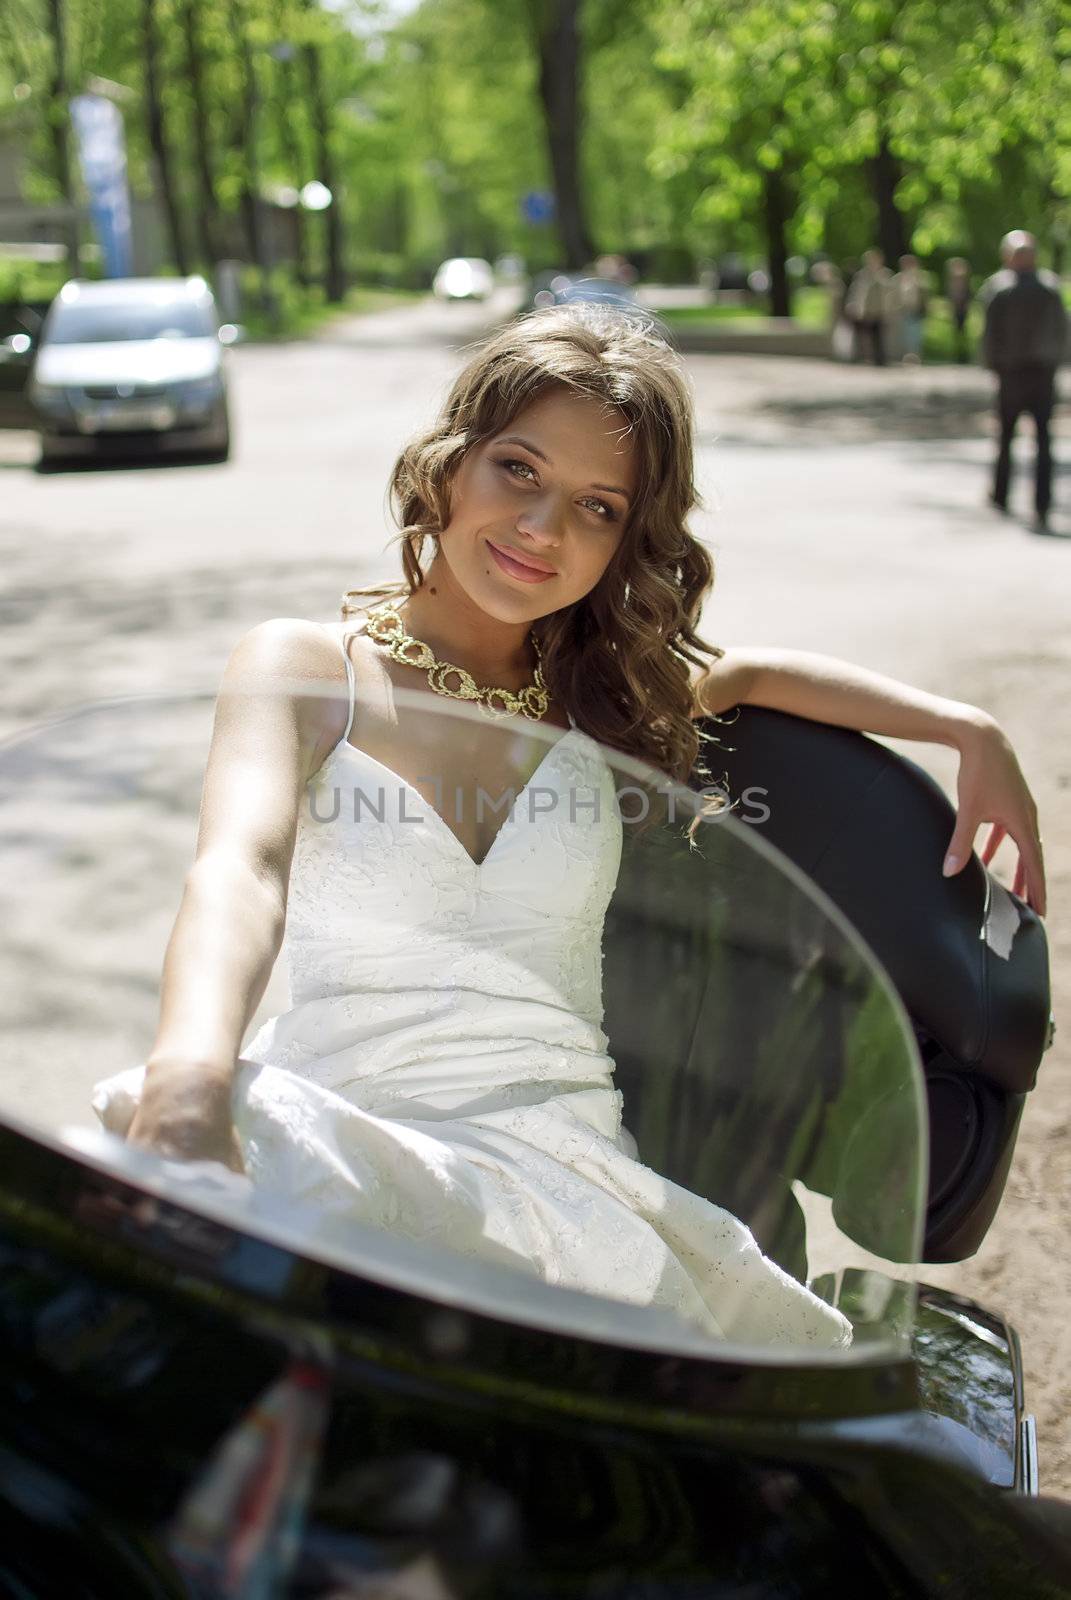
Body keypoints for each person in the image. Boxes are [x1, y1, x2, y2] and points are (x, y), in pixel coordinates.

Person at [90, 304, 1046, 1352]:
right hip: (345, 1130)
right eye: (518, 470)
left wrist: (965, 726)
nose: (544, 529)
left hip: (570, 1169)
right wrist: (191, 1079)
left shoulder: (606, 701)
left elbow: (755, 675)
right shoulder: (308, 666)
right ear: (449, 462)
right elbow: (238, 871)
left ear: (627, 538)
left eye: (597, 507)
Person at [982, 229, 1068, 532]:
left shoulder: (1004, 287)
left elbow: (990, 336)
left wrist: (994, 365)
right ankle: (1021, 499)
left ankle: (1014, 498)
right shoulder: (1044, 287)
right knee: (1028, 439)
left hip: (1022, 372)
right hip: (1031, 372)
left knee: (1019, 438)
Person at [845, 248, 894, 365]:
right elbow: (855, 292)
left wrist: (891, 310)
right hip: (865, 310)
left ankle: (880, 359)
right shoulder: (861, 275)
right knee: (863, 336)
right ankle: (863, 357)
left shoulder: (885, 274)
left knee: (879, 336)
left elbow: (890, 293)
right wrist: (852, 305)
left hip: (880, 310)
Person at [891, 253, 929, 364]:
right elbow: (893, 295)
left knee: (915, 335)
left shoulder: (920, 278)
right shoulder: (898, 278)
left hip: (916, 311)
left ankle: (915, 355)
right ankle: (906, 355)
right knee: (904, 335)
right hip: (902, 310)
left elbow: (925, 296)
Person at [945, 257, 973, 364]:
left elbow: (968, 297)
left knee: (963, 332)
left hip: (963, 310)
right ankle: (958, 354)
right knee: (957, 333)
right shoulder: (951, 284)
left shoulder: (966, 283)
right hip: (955, 310)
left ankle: (963, 354)